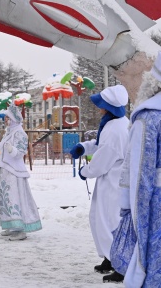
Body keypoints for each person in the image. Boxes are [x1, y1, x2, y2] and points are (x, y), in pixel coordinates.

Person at [111, 51, 161, 288]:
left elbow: (139, 174)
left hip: (155, 209)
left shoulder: (149, 118)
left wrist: (127, 207)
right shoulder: (150, 116)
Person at [70, 85, 129, 283]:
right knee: (101, 219)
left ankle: (119, 264)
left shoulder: (115, 130)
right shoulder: (115, 123)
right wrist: (83, 146)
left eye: (101, 105)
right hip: (110, 181)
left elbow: (103, 159)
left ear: (109, 107)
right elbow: (99, 144)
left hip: (113, 183)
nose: (99, 108)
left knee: (109, 222)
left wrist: (85, 172)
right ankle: (109, 258)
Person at [0, 103, 42, 241]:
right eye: (5, 118)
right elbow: (5, 147)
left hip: (14, 172)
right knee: (7, 199)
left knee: (15, 198)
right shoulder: (9, 132)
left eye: (7, 117)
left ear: (14, 118)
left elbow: (20, 152)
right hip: (6, 169)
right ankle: (11, 224)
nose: (5, 120)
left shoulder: (20, 133)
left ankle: (20, 228)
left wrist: (12, 150)